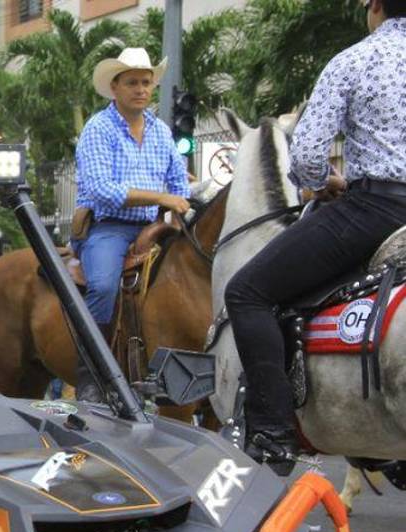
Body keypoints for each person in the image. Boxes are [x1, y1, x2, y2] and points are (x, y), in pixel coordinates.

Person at [226, 0, 406, 467]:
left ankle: (272, 431)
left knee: (247, 291)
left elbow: (305, 156)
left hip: (376, 209)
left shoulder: (354, 60)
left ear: (375, 8)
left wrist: (326, 181)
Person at [73, 46, 191, 402]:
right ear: (115, 87)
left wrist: (180, 202)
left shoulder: (161, 131)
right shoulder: (98, 128)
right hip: (107, 228)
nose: (140, 89)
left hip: (154, 228)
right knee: (104, 286)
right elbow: (101, 190)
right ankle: (91, 375)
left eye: (146, 82)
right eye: (132, 83)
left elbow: (179, 182)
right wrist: (160, 198)